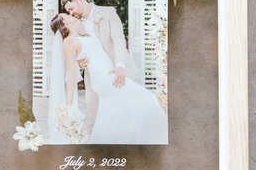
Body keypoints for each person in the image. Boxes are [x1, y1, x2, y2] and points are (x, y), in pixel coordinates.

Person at [48, 13, 167, 144]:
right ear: (64, 22)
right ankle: (158, 139)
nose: (71, 14)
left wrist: (80, 64)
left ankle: (111, 143)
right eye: (66, 14)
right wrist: (69, 105)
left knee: (113, 113)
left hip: (109, 73)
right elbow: (70, 72)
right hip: (103, 78)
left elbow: (89, 55)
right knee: (147, 97)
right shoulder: (68, 42)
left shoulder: (82, 35)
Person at [59, 0, 138, 132]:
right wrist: (80, 63)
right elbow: (77, 48)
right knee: (94, 119)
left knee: (123, 117)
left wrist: (120, 66)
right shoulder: (75, 24)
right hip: (93, 77)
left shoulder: (108, 13)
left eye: (71, 8)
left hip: (117, 72)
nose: (71, 13)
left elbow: (118, 39)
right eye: (68, 11)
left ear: (81, 0)